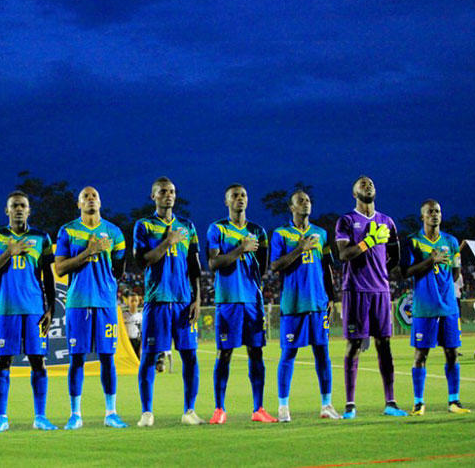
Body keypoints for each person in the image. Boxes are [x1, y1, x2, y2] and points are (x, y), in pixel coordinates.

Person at [0, 191, 57, 432]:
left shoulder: (41, 237)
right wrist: (8, 253)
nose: (19, 209)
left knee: (38, 361)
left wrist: (50, 309)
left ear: (29, 210)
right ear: (7, 211)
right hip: (6, 310)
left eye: (23, 205)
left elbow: (48, 276)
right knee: (3, 361)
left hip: (34, 310)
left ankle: (40, 417)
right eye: (14, 206)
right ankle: (1, 417)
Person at [55, 186, 128, 429]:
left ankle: (111, 413)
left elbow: (119, 269)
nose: (90, 199)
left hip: (105, 303)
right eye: (85, 197)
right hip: (77, 303)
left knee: (108, 357)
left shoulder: (114, 232)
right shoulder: (68, 231)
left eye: (94, 195)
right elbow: (60, 268)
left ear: (100, 201)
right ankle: (75, 415)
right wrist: (89, 252)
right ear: (79, 205)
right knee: (77, 358)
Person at [133, 177, 202, 427]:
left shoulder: (187, 225)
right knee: (149, 357)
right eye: (163, 192)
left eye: (172, 191)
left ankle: (189, 411)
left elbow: (195, 266)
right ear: (153, 196)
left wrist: (197, 298)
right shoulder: (143, 226)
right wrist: (167, 242)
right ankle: (147, 412)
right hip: (157, 300)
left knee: (190, 356)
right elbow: (142, 261)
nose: (168, 195)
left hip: (183, 302)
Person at [335, 176, 407, 418]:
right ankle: (350, 405)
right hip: (355, 290)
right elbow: (344, 255)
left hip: (380, 291)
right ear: (353, 192)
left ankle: (391, 402)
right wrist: (368, 242)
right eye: (362, 184)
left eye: (371, 183)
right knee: (354, 344)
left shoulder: (387, 221)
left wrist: (381, 272)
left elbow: (395, 257)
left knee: (384, 345)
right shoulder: (346, 221)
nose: (367, 185)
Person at [206, 184, 276, 424]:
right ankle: (219, 408)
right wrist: (240, 249)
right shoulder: (217, 229)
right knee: (224, 353)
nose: (240, 199)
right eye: (234, 196)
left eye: (243, 195)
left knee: (256, 352)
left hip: (252, 301)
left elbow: (263, 267)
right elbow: (213, 263)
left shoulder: (259, 231)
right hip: (227, 301)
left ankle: (259, 409)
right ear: (226, 202)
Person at [269, 190, 341, 422]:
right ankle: (283, 408)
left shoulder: (321, 233)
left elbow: (327, 266)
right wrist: (300, 249)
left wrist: (332, 297)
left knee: (322, 354)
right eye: (301, 201)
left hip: (318, 304)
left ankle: (327, 405)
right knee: (288, 354)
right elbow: (276, 266)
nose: (306, 204)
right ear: (291, 207)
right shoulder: (281, 234)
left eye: (308, 200)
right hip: (293, 304)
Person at [402, 200, 469, 415]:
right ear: (422, 217)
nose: (435, 215)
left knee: (452, 353)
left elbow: (456, 272)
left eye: (438, 211)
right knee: (421, 355)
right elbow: (406, 272)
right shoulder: (413, 241)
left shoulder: (450, 241)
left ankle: (454, 401)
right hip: (425, 308)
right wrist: (431, 260)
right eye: (430, 212)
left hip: (448, 307)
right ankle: (419, 403)